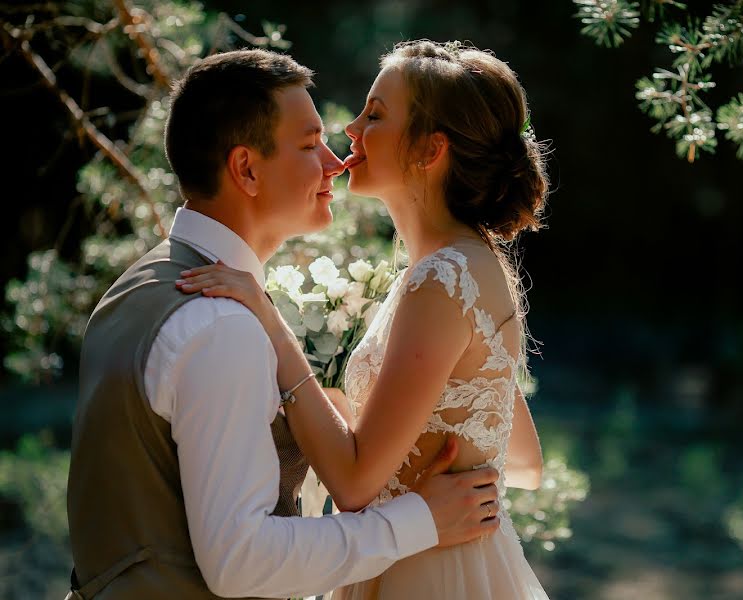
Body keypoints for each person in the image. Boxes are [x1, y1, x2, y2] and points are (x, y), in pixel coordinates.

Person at [66, 48, 501, 600]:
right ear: (246, 168)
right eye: (307, 145)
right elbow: (240, 562)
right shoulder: (219, 325)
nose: (334, 160)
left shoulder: (132, 288)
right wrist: (420, 522)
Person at [177, 40, 550, 598]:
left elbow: (353, 484)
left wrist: (269, 319)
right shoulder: (464, 268)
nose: (350, 129)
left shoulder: (440, 282)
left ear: (430, 150)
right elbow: (522, 459)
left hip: (426, 573)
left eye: (374, 115)